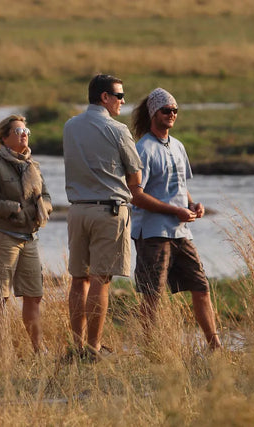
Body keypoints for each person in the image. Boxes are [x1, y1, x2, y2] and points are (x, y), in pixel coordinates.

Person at [62, 73, 151, 361]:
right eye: (120, 96)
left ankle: (76, 347)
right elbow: (135, 173)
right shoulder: (118, 129)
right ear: (105, 97)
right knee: (101, 279)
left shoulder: (70, 126)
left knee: (78, 279)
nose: (123, 101)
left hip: (77, 210)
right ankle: (93, 348)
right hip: (108, 210)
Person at [130, 88, 221, 350]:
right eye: (166, 110)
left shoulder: (178, 146)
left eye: (175, 111)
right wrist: (175, 210)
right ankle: (150, 349)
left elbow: (179, 185)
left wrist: (192, 204)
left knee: (201, 286)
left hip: (181, 232)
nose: (172, 115)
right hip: (153, 233)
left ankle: (214, 345)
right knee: (152, 295)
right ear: (153, 113)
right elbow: (136, 196)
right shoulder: (143, 149)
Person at [0, 114, 53, 352]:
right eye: (18, 131)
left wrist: (43, 207)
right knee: (0, 296)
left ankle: (39, 350)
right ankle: (1, 351)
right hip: (3, 237)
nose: (24, 135)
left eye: (26, 130)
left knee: (34, 295)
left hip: (29, 237)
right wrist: (10, 208)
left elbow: (47, 197)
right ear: (4, 138)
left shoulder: (33, 166)